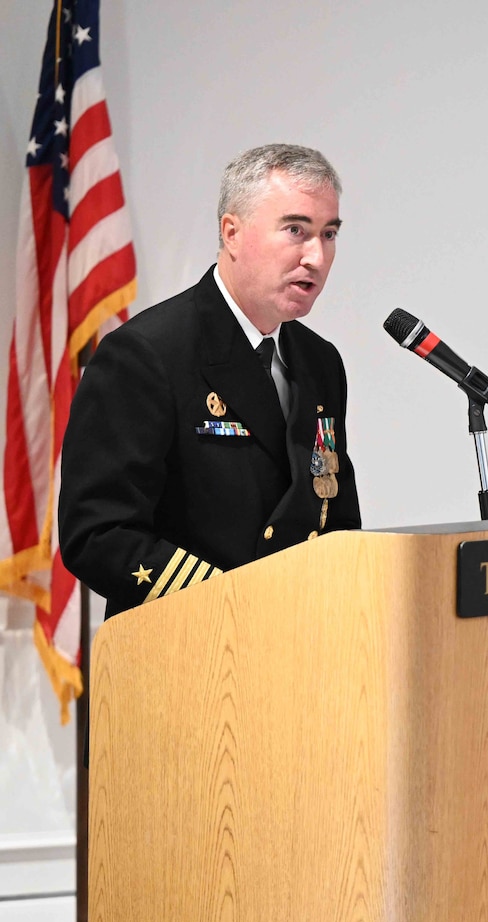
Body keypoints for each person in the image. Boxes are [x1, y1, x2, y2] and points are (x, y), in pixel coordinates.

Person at [59, 144, 360, 616]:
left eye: (328, 234)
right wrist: (232, 604)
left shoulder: (320, 362)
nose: (316, 257)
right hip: (186, 652)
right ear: (232, 233)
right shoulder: (147, 355)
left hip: (299, 653)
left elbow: (336, 519)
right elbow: (98, 534)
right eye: (296, 230)